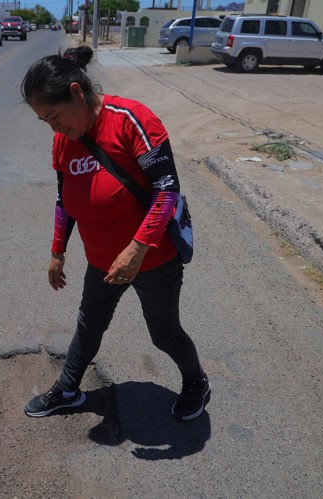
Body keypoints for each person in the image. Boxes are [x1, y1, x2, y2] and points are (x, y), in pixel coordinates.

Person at [21, 46, 210, 421]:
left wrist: (137, 248)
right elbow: (65, 198)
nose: (54, 129)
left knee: (164, 333)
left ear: (77, 92)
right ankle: (68, 389)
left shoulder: (131, 120)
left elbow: (166, 189)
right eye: (45, 122)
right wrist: (57, 252)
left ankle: (196, 382)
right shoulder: (64, 140)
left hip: (152, 259)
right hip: (101, 259)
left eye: (55, 116)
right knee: (88, 325)